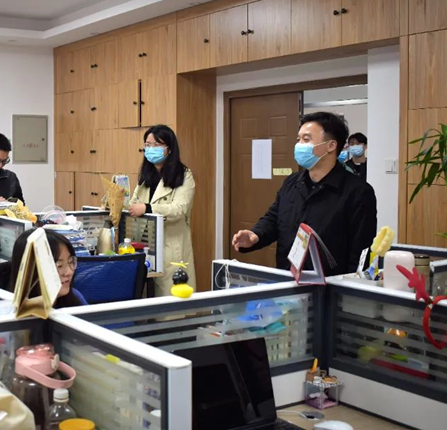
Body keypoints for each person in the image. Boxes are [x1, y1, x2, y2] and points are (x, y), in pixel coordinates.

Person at [232, 112, 377, 276]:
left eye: (306, 139)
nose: (299, 145)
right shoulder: (292, 183)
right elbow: (274, 218)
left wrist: (349, 287)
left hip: (330, 285)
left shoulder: (358, 192)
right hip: (287, 279)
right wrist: (255, 235)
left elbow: (360, 251)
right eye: (298, 139)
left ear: (331, 145)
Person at [128, 125, 196, 296]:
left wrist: (148, 208)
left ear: (169, 149)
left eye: (156, 145)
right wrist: (114, 205)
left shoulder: (184, 175)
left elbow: (179, 209)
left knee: (170, 295)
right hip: (145, 242)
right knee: (145, 295)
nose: (151, 149)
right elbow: (133, 203)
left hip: (170, 245)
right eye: (147, 145)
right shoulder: (146, 175)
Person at [8, 229, 87, 308]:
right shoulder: (11, 310)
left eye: (70, 262)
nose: (69, 272)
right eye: (59, 266)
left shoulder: (75, 298)